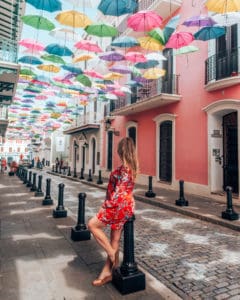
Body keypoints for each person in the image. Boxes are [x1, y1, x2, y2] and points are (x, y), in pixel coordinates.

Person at [88, 137, 138, 287]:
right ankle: (107, 272)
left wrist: (105, 207)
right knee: (114, 239)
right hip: (125, 205)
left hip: (118, 206)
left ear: (120, 150)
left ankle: (111, 254)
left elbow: (119, 194)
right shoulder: (130, 168)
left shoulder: (125, 170)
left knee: (92, 225)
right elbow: (123, 191)